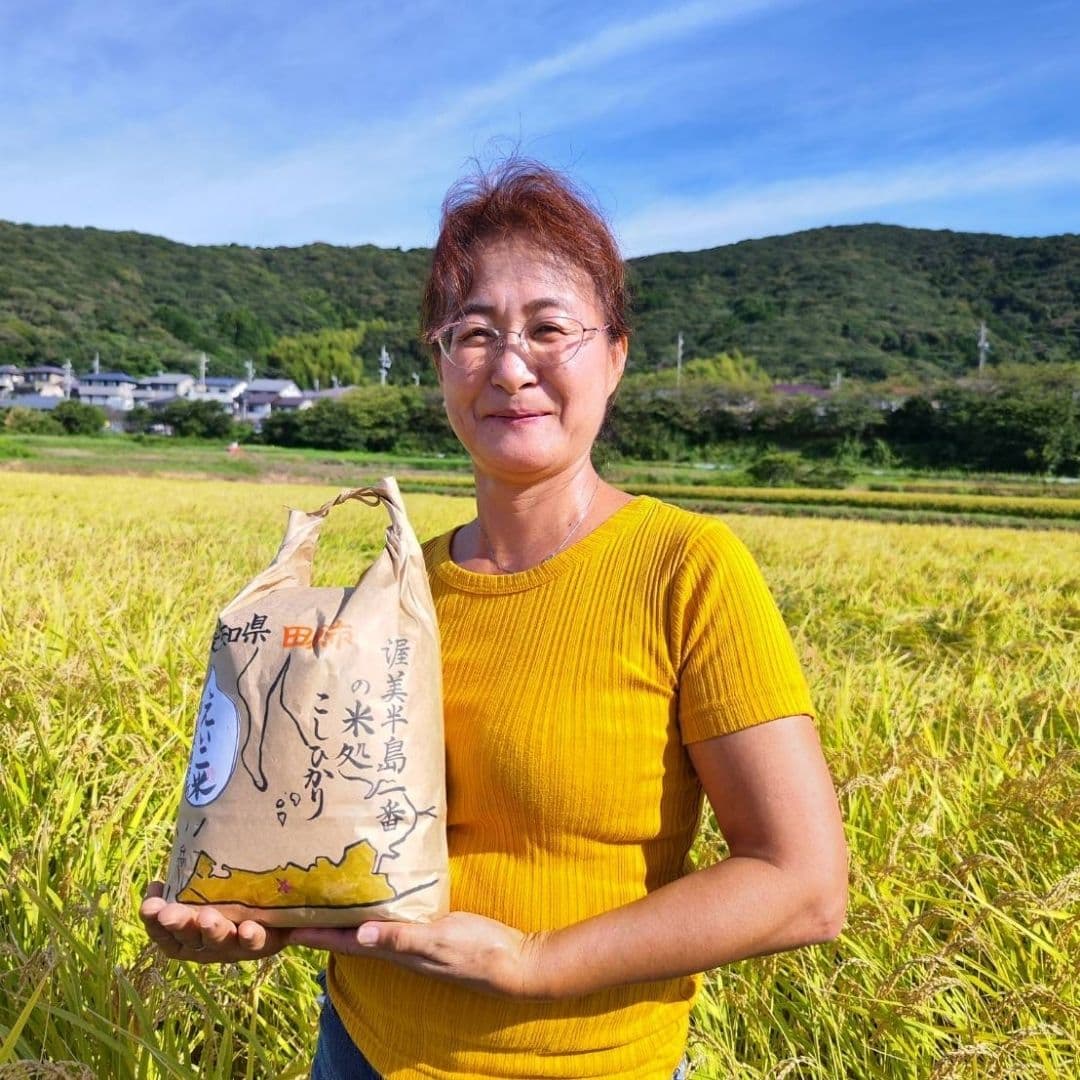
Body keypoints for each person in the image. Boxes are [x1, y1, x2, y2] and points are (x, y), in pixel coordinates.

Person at [141, 160, 848, 1079]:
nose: (512, 367)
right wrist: (254, 913)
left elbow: (801, 886)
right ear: (440, 363)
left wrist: (533, 965)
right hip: (360, 1048)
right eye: (473, 333)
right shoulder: (396, 592)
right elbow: (330, 822)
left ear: (617, 355)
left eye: (550, 328)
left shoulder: (688, 568)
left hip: (588, 1064)